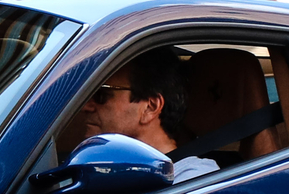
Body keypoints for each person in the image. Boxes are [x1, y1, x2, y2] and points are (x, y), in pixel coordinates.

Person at [75, 50, 216, 182]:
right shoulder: (97, 170)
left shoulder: (194, 181)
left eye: (101, 95)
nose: (86, 106)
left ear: (150, 108)